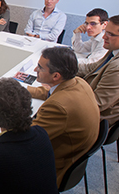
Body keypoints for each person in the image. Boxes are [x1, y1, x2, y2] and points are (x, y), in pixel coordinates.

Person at [28, 47, 100, 186]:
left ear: (56, 76)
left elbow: (26, 140)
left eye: (40, 68)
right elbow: (52, 91)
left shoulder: (58, 106)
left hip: (55, 165)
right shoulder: (79, 82)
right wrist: (24, 90)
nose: (35, 70)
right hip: (73, 154)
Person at [77, 14, 119, 126]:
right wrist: (63, 66)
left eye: (110, 34)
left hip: (92, 122)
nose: (103, 37)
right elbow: (92, 68)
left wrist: (59, 92)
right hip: (91, 100)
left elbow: (94, 104)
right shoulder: (118, 48)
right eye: (106, 32)